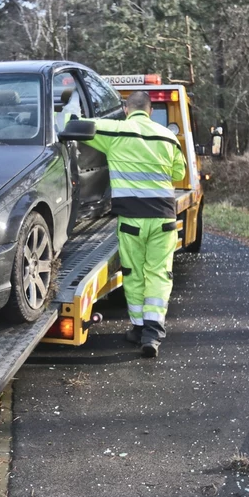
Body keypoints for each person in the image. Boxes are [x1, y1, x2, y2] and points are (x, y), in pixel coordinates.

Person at [65, 91, 186, 356]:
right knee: (159, 273)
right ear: (151, 110)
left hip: (132, 220)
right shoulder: (167, 136)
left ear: (125, 108)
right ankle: (153, 333)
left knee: (133, 272)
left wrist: (65, 108)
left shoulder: (116, 131)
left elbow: (76, 125)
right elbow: (179, 173)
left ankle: (138, 329)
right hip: (164, 219)